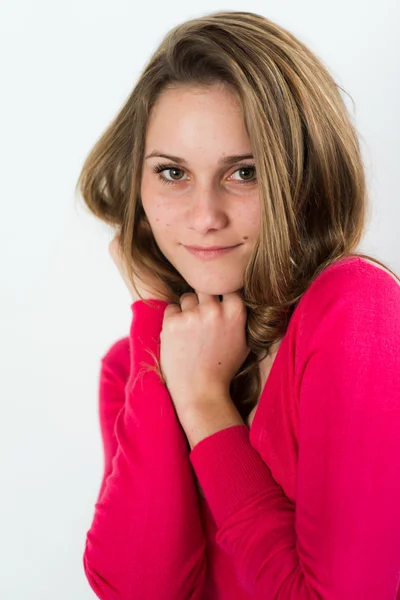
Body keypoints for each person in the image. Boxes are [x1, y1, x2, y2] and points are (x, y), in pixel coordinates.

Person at [76, 10, 400, 600]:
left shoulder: (355, 311)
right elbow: (141, 590)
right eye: (172, 172)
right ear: (137, 186)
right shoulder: (130, 367)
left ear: (304, 178)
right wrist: (154, 310)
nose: (205, 217)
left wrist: (205, 407)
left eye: (243, 173)